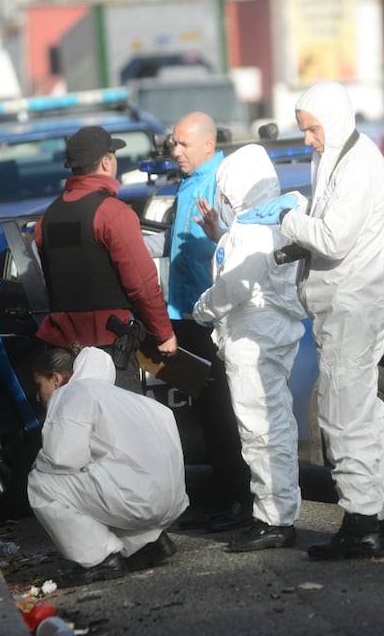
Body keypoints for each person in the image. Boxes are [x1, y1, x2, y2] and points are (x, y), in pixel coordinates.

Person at [237, 81, 384, 560]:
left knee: (342, 416)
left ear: (333, 119)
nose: (308, 139)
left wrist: (290, 216)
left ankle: (361, 525)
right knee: (367, 413)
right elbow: (337, 233)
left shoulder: (356, 164)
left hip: (349, 302)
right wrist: (297, 237)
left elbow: (335, 239)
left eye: (312, 129)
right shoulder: (340, 156)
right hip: (349, 300)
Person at [192, 144, 307, 552]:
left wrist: (202, 308)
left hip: (252, 338)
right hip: (268, 334)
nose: (223, 198)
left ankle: (273, 520)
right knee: (274, 426)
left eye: (226, 189)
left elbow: (236, 286)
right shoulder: (271, 220)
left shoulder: (252, 229)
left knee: (260, 431)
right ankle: (278, 513)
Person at [145, 111, 252, 533]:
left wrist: (219, 234)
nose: (175, 151)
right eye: (174, 143)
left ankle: (242, 498)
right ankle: (227, 494)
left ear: (208, 145)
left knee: (225, 410)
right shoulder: (187, 184)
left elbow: (238, 239)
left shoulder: (221, 180)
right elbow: (177, 242)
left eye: (183, 144)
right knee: (207, 410)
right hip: (186, 314)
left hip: (213, 316)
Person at [27, 345, 188, 588]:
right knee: (102, 478)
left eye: (39, 385)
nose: (39, 396)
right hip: (172, 503)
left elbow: (62, 458)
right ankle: (147, 544)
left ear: (57, 379)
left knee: (41, 481)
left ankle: (99, 559)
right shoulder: (132, 400)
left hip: (136, 501)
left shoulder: (72, 393)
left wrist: (39, 462)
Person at [35, 125, 176, 394]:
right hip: (109, 350)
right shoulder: (112, 213)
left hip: (62, 350)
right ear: (106, 161)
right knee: (118, 433)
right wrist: (163, 333)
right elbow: (142, 284)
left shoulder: (48, 218)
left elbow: (50, 281)